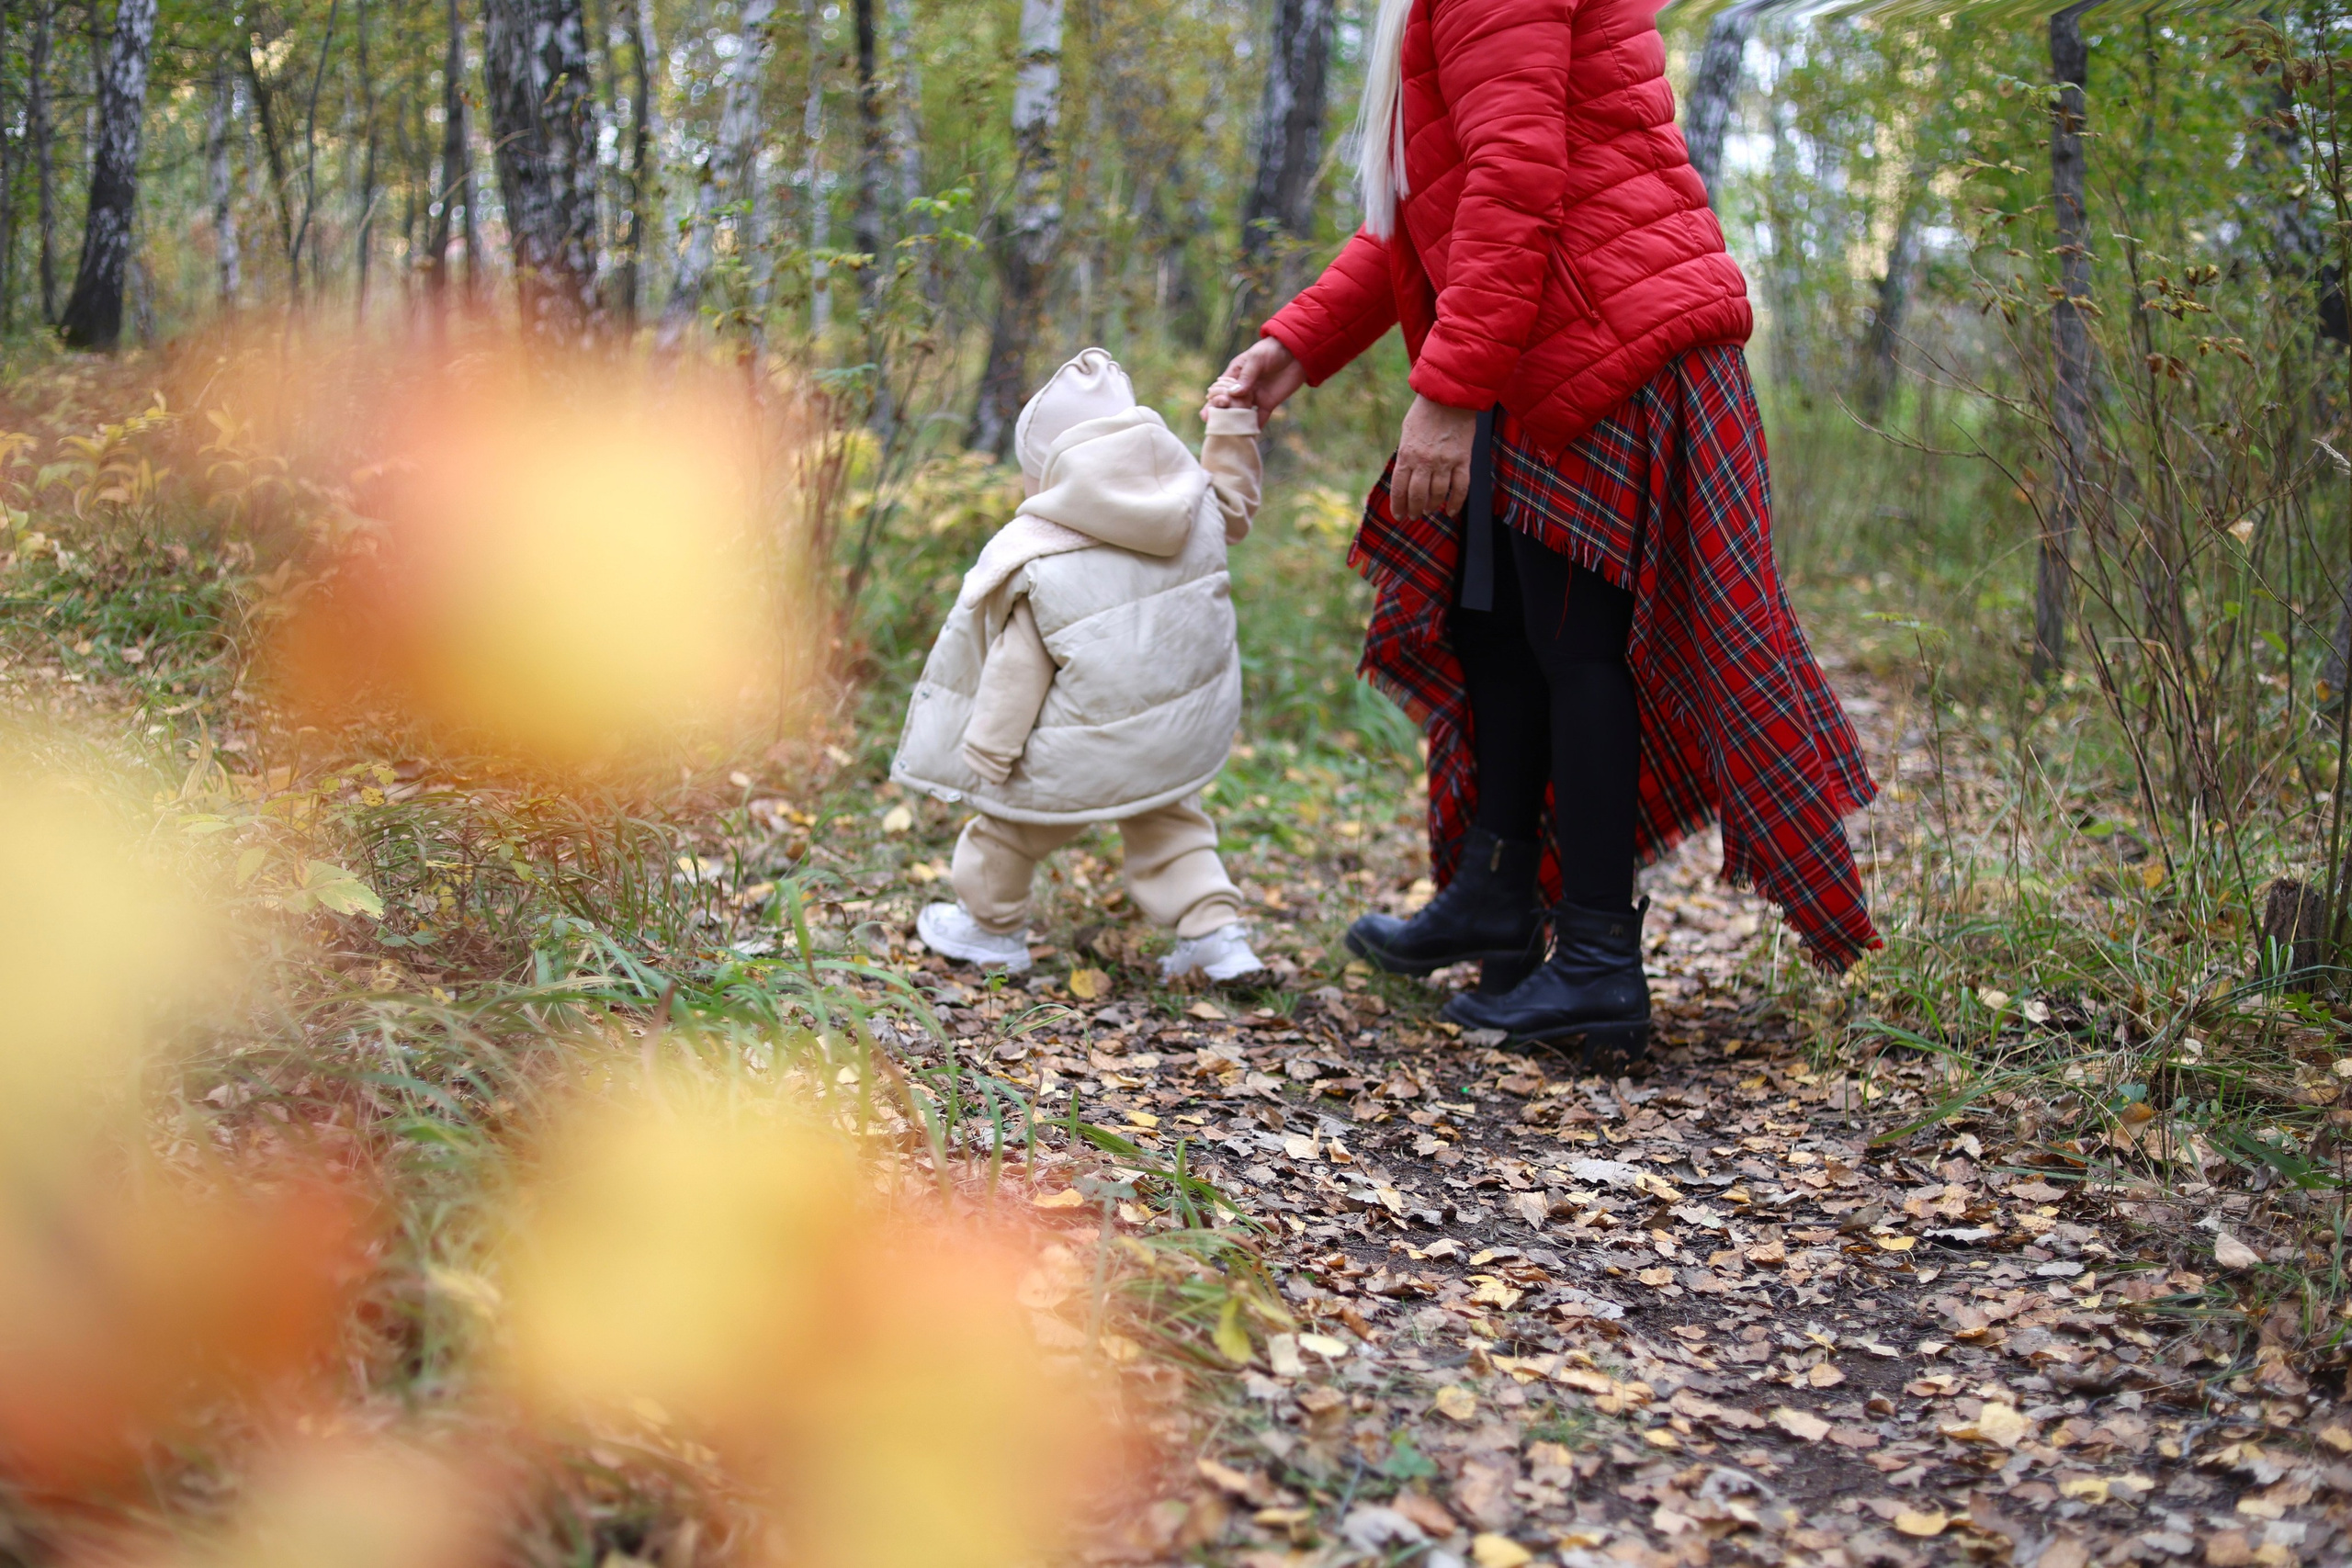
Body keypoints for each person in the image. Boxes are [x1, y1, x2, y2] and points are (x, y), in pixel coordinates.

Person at [1216, 0, 1879, 1056]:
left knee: (1577, 649)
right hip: (1544, 334)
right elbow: (1423, 210)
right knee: (1489, 623)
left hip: (1601, 337)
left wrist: (1447, 390)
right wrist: (1293, 348)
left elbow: (1513, 181)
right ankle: (1497, 893)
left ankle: (1601, 968)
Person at [893, 348, 1270, 982]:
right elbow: (1236, 498)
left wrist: (987, 752)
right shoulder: (1194, 503)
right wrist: (1230, 427)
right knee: (1169, 822)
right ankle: (1218, 939)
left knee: (1008, 831)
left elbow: (1019, 667)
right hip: (1181, 731)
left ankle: (989, 928)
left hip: (1083, 744)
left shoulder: (1043, 551)